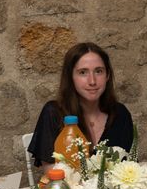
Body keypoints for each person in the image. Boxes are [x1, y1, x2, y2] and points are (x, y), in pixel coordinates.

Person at [28, 42, 134, 172]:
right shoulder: (53, 112)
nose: (92, 81)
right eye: (83, 72)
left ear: (107, 76)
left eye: (99, 71)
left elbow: (128, 166)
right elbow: (51, 170)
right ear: (70, 77)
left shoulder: (120, 114)